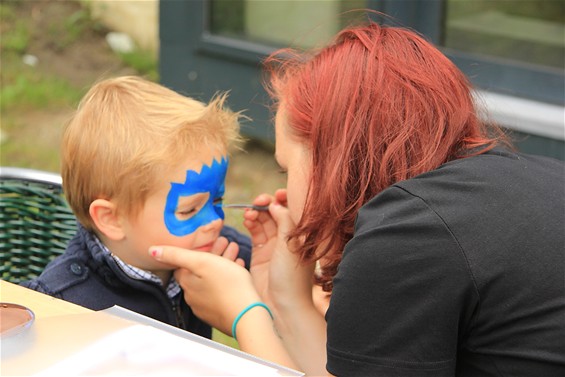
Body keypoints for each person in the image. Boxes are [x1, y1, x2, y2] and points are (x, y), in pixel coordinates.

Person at [148, 21, 565, 376]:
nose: (287, 193)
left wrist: (245, 314)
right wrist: (289, 296)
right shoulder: (533, 178)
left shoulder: (411, 235)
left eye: (286, 168)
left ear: (333, 157)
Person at [22, 76, 252, 340]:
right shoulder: (63, 306)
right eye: (188, 211)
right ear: (112, 219)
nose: (214, 222)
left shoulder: (219, 251)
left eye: (216, 201)